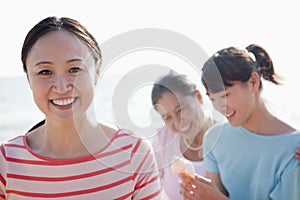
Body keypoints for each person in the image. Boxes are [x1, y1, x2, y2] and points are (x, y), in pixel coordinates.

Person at [0, 16, 161, 199]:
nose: (61, 87)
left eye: (75, 69)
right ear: (28, 78)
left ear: (97, 72)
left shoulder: (134, 153)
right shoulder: (6, 162)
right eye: (45, 72)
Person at [179, 44, 300, 199]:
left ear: (253, 83)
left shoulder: (293, 148)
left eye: (224, 95)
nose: (219, 107)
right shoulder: (214, 139)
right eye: (212, 98)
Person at [151, 70, 217, 200]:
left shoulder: (225, 137)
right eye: (167, 117)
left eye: (180, 110)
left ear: (198, 97)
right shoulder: (163, 140)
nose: (177, 122)